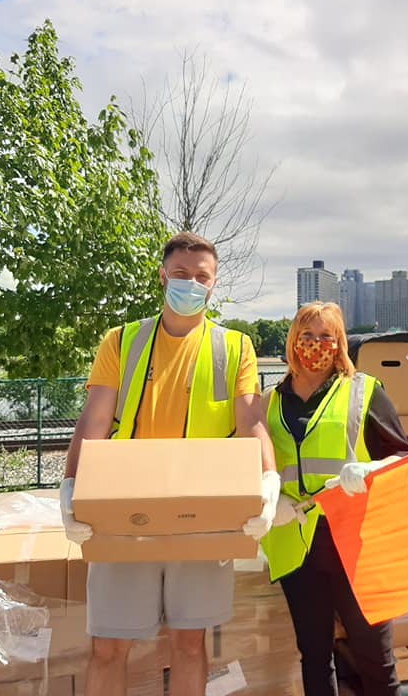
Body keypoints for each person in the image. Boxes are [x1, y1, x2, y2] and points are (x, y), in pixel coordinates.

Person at [59, 232, 279, 696]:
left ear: (213, 285)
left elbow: (251, 423)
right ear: (163, 276)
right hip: (124, 509)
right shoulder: (123, 340)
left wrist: (268, 483)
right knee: (107, 646)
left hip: (201, 512)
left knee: (190, 645)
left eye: (201, 277)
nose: (190, 283)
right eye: (181, 274)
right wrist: (70, 489)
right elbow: (95, 419)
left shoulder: (235, 347)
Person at [261, 302, 408, 696]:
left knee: (375, 658)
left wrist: (369, 470)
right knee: (315, 656)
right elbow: (251, 461)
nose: (315, 345)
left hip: (355, 542)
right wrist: (270, 499)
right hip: (297, 543)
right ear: (293, 341)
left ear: (339, 342)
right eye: (307, 336)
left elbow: (403, 458)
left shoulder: (363, 391)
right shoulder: (270, 401)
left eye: (326, 336)